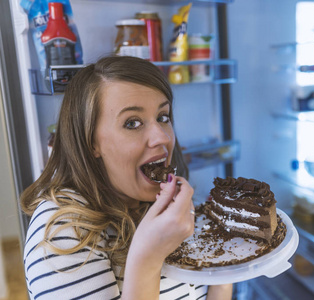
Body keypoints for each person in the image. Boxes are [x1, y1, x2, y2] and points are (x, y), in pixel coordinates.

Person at [21, 55, 233, 300]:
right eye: (132, 123)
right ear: (91, 142)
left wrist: (227, 264)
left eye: (163, 117)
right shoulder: (63, 232)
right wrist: (148, 257)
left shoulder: (165, 207)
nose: (162, 138)